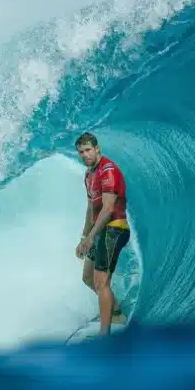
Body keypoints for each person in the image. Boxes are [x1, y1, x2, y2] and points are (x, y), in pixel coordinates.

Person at [74, 132, 131, 336]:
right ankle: (115, 313)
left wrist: (91, 237)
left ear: (97, 148)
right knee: (88, 277)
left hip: (115, 228)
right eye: (81, 152)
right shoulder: (89, 175)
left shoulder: (108, 171)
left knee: (101, 282)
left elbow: (107, 209)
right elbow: (91, 209)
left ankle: (104, 335)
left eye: (88, 150)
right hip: (99, 232)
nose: (85, 154)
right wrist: (83, 238)